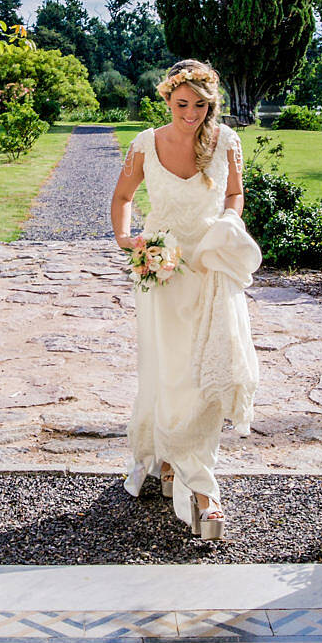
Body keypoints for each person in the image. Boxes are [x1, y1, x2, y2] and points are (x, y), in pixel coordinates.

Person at [109, 59, 262, 539]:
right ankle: (181, 468)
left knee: (210, 366)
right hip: (162, 267)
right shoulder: (145, 144)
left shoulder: (226, 142)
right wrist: (126, 239)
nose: (192, 113)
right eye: (182, 104)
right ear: (167, 100)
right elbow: (122, 197)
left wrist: (228, 223)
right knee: (169, 368)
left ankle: (199, 479)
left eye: (201, 105)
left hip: (211, 264)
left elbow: (234, 195)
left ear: (211, 104)